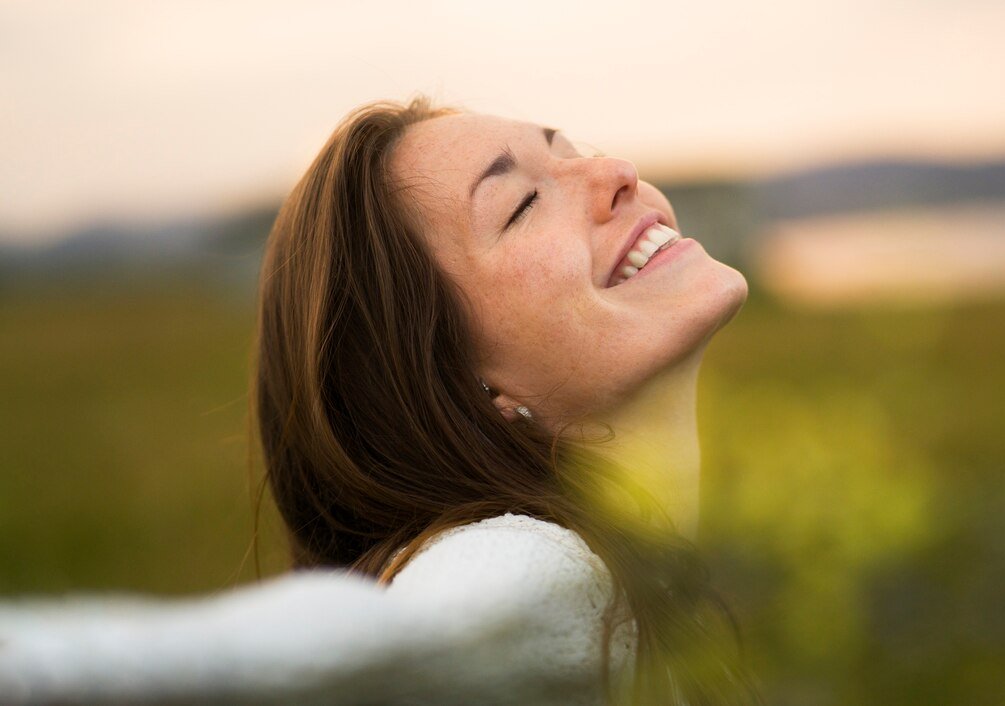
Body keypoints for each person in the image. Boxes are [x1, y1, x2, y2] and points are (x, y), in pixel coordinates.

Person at [0, 97, 753, 705]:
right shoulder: (532, 565)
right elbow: (374, 638)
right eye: (521, 204)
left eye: (570, 150)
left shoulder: (653, 569)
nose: (615, 171)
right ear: (460, 384)